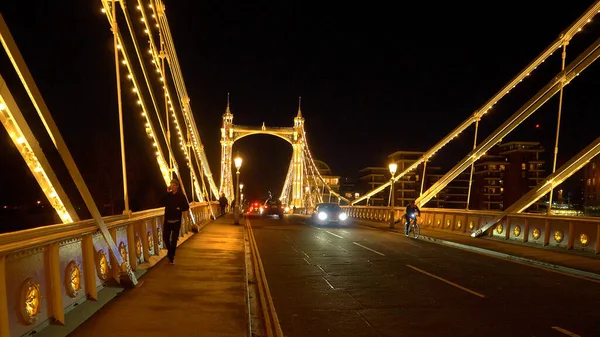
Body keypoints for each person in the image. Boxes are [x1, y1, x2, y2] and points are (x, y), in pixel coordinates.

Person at [160, 178, 190, 264]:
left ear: (177, 186)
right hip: (167, 220)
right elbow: (161, 201)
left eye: (173, 185)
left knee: (174, 240)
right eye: (171, 185)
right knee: (165, 238)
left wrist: (179, 208)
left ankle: (171, 257)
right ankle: (170, 252)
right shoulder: (168, 195)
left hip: (176, 221)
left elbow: (186, 207)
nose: (172, 186)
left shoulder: (181, 196)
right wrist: (167, 192)